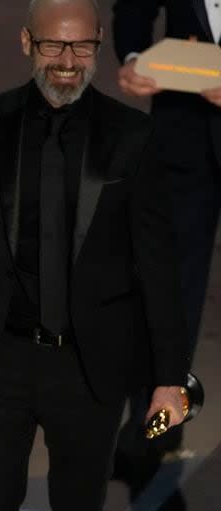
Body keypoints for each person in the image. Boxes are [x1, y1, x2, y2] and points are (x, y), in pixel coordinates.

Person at [0, 0, 191, 509]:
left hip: (91, 366)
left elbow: (159, 264)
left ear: (100, 42)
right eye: (53, 44)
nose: (67, 58)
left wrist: (169, 380)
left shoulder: (135, 134)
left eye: (82, 45)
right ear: (26, 42)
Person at [111, 2, 221, 501]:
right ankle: (153, 437)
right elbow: (134, 5)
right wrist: (134, 54)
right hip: (184, 135)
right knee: (168, 286)